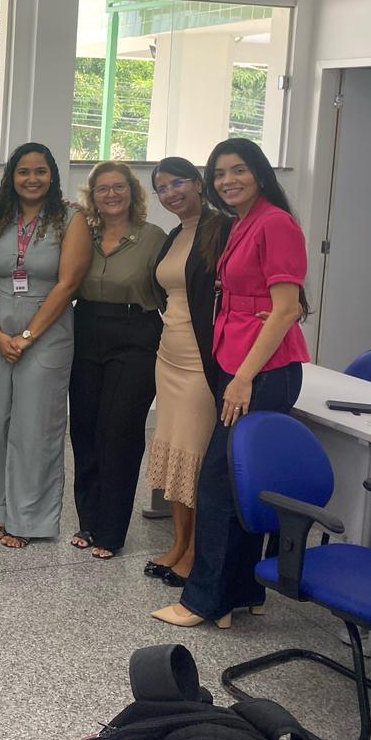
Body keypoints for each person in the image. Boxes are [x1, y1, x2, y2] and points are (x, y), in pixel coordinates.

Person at [154, 139, 310, 629]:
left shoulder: (276, 223)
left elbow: (287, 307)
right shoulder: (243, 222)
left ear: (260, 173)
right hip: (235, 359)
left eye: (238, 170)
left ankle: (202, 600)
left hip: (260, 371)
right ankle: (243, 592)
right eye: (220, 173)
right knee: (243, 485)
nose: (228, 181)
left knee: (219, 484)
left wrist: (243, 379)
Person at [0, 143, 90, 548]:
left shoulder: (70, 219)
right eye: (23, 171)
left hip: (47, 331)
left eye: (41, 171)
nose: (32, 179)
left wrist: (26, 337)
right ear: (12, 177)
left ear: (52, 176)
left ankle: (29, 519)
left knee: (35, 427)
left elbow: (68, 283)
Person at [68, 161, 166, 560]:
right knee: (85, 430)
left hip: (135, 335)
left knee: (119, 432)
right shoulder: (83, 234)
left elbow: (172, 289)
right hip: (86, 328)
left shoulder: (153, 237)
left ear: (132, 192)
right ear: (92, 196)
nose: (111, 194)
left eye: (119, 187)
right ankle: (88, 520)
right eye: (102, 188)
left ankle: (111, 530)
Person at [143, 158, 229, 587]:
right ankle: (179, 543)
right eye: (161, 188)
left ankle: (197, 551)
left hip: (201, 361)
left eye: (177, 183)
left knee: (193, 456)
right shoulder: (176, 234)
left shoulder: (222, 229)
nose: (170, 193)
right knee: (174, 449)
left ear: (198, 183)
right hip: (169, 357)